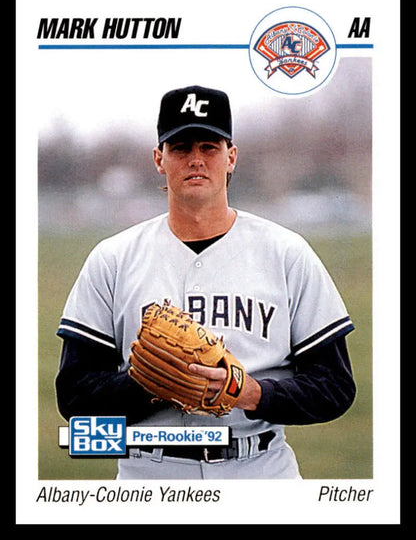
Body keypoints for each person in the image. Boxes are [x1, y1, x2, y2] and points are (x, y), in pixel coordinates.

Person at [55, 84, 356, 479]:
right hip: (150, 475)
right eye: (180, 148)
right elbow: (74, 395)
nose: (195, 159)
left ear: (231, 157)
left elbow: (334, 386)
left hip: (260, 471)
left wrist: (251, 393)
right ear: (159, 159)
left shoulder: (286, 253)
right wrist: (154, 384)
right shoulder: (112, 259)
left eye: (209, 147)